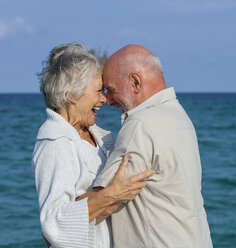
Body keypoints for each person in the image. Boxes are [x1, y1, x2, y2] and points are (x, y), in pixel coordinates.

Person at [32, 42, 155, 248]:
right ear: (72, 94)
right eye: (99, 91)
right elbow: (53, 224)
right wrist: (111, 194)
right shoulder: (55, 144)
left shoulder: (94, 133)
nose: (105, 99)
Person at [93, 45, 213, 247]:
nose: (107, 100)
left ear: (135, 82)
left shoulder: (141, 124)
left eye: (111, 90)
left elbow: (105, 203)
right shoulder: (178, 115)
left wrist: (57, 222)